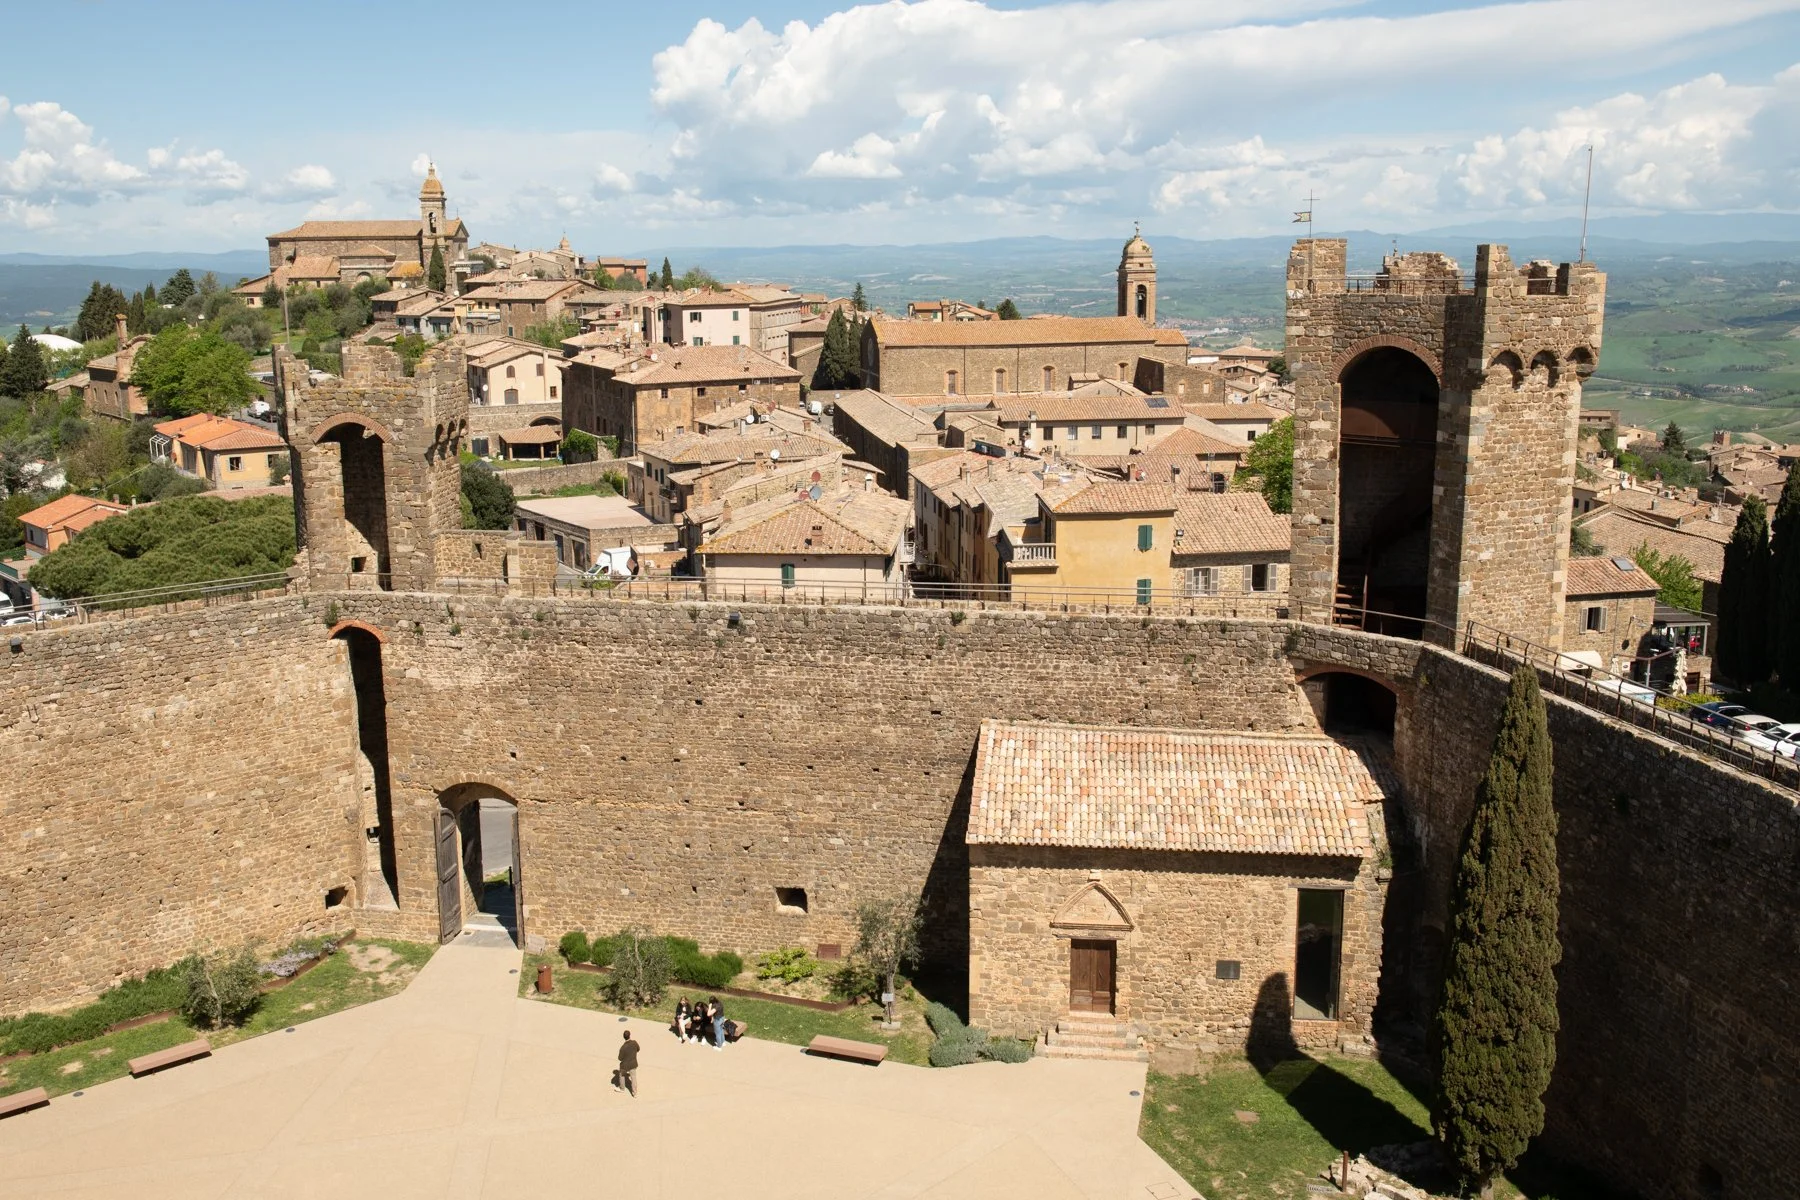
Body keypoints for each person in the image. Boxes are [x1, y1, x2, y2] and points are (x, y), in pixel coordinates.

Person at [616, 1028, 640, 1097]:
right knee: (633, 1078)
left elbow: (620, 1058)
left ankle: (622, 1088)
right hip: (633, 1063)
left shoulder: (623, 1047)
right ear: (630, 1035)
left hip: (625, 1065)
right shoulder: (634, 1043)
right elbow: (638, 1049)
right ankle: (635, 1093)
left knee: (621, 1074)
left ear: (624, 1037)